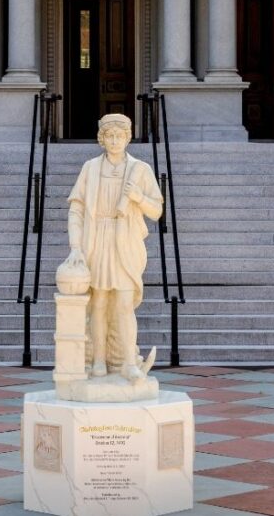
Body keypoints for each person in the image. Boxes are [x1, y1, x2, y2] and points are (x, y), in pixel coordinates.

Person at [63, 114, 163, 381]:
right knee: (98, 302)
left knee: (124, 303)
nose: (115, 140)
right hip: (96, 240)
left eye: (120, 135)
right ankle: (98, 361)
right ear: (102, 139)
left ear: (128, 137)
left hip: (126, 242)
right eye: (110, 136)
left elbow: (157, 210)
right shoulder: (90, 168)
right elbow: (77, 209)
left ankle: (128, 362)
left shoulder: (140, 169)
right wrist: (75, 246)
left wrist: (138, 197)